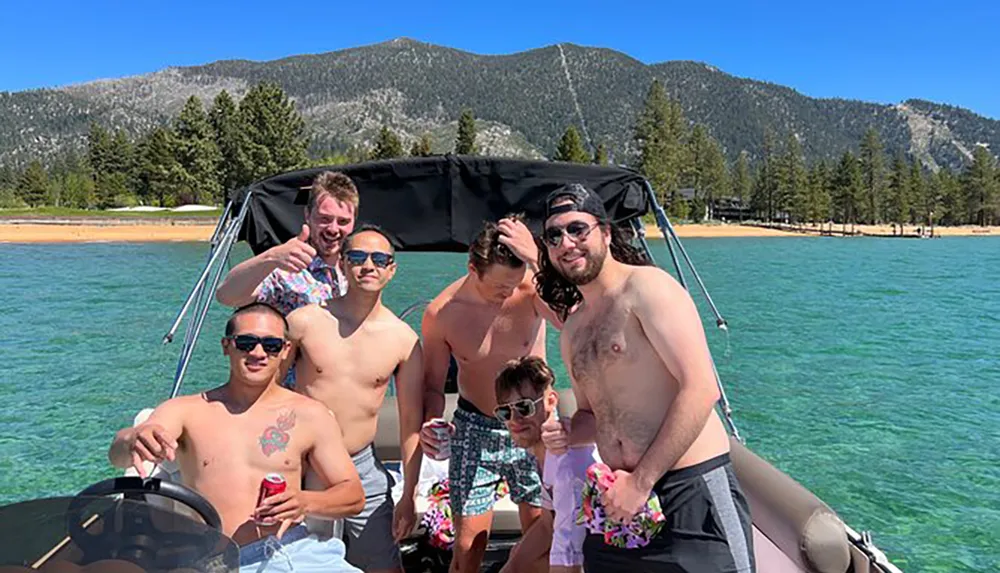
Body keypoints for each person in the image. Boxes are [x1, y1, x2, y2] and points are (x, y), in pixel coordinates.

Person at [536, 184, 755, 573]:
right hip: (617, 501)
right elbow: (596, 414)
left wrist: (640, 483)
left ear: (604, 232)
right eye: (554, 235)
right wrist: (569, 430)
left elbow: (702, 388)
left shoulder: (647, 289)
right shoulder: (573, 330)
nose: (566, 243)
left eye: (577, 229)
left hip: (688, 490)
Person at [108, 302, 365, 572]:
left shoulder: (311, 415)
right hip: (214, 562)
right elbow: (118, 455)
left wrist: (306, 501)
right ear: (225, 345)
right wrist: (133, 439)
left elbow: (353, 495)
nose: (258, 353)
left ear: (286, 350)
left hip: (293, 552)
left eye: (271, 345)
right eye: (246, 342)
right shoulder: (185, 410)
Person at [419, 216, 563, 573]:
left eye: (514, 283)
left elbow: (575, 318)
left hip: (536, 425)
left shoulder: (531, 290)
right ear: (473, 268)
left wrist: (540, 261)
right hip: (475, 425)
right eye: (500, 287)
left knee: (543, 535)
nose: (508, 293)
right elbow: (434, 385)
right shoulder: (442, 313)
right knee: (467, 547)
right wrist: (431, 423)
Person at [284, 225, 423, 573]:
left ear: (392, 269)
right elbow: (263, 393)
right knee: (298, 565)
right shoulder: (304, 322)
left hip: (362, 467)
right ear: (343, 264)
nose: (368, 266)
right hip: (302, 465)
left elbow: (410, 425)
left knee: (384, 567)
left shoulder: (404, 340)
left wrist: (409, 495)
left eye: (380, 259)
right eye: (358, 257)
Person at [494, 356, 597, 573]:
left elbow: (569, 554)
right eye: (505, 412)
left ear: (551, 401)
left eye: (524, 407)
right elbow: (547, 524)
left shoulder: (566, 463)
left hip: (604, 554)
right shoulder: (545, 454)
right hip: (591, 545)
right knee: (518, 559)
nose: (514, 419)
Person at [216, 171, 359, 313]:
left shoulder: (361, 269)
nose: (333, 229)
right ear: (307, 215)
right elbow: (227, 296)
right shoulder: (284, 272)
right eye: (324, 219)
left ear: (353, 223)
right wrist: (271, 257)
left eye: (343, 221)